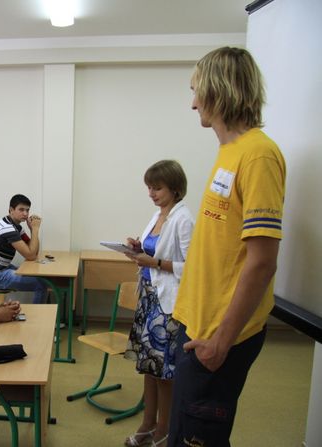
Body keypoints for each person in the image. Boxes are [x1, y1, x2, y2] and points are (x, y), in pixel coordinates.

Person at [168, 47, 286, 446]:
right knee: (183, 431)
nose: (193, 102)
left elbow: (262, 263)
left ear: (218, 89)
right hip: (198, 324)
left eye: (196, 90)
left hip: (220, 336)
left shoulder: (258, 155)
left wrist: (220, 341)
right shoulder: (229, 153)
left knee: (198, 437)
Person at [121, 160, 194, 447]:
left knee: (165, 372)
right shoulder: (159, 214)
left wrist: (155, 262)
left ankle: (164, 429)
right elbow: (154, 248)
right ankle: (148, 423)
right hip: (150, 300)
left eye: (157, 188)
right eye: (149, 187)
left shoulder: (184, 218)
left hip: (169, 305)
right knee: (149, 369)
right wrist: (138, 248)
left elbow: (191, 267)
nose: (151, 193)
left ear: (175, 188)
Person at [0, 194, 47, 303]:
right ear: (11, 210)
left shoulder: (16, 226)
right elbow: (30, 256)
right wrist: (35, 229)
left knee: (39, 277)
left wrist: (32, 230)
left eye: (27, 210)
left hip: (3, 268)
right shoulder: (7, 228)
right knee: (41, 284)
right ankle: (38, 318)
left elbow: (34, 251)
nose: (25, 214)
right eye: (21, 209)